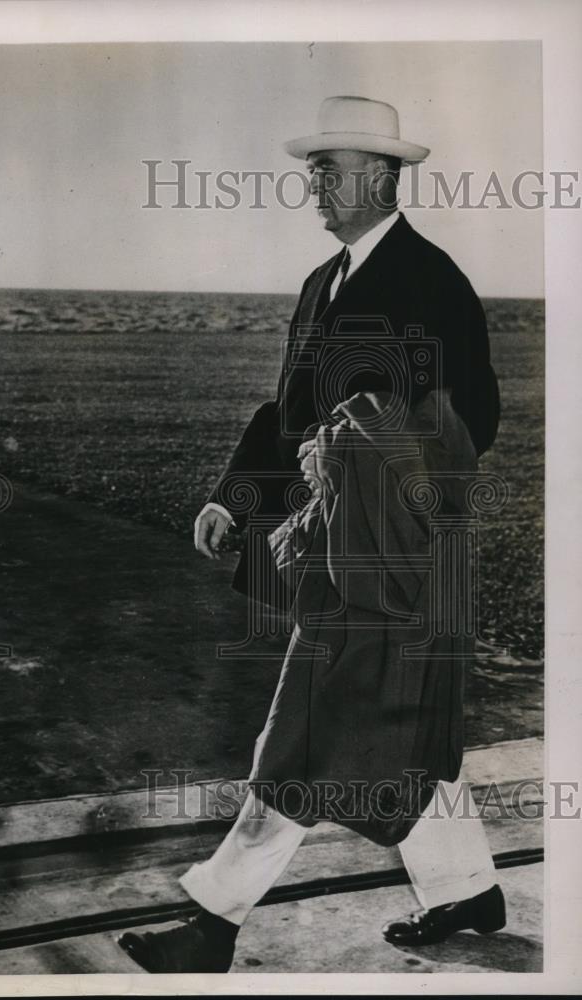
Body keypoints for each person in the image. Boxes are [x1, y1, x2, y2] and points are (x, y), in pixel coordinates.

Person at [119, 96, 503, 974]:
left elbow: (470, 420)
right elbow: (284, 415)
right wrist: (233, 496)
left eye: (326, 171)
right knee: (406, 727)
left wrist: (375, 451)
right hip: (331, 545)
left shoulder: (430, 281)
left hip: (389, 559)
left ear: (377, 173)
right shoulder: (321, 281)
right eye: (313, 171)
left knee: (304, 725)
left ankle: (213, 922)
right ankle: (468, 889)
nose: (313, 188)